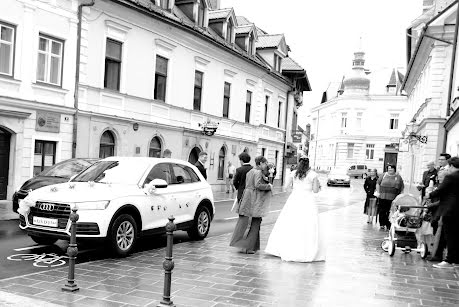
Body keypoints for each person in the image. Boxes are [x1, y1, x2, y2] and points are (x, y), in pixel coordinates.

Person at [265, 155, 325, 262]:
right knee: (307, 224)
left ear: (299, 163)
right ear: (308, 164)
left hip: (295, 199)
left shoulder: (294, 173)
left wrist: (296, 187)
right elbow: (315, 191)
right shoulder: (313, 175)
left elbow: (285, 187)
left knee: (291, 222)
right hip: (308, 201)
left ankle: (285, 247)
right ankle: (306, 249)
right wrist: (318, 187)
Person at [230, 156, 273, 254]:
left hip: (247, 196)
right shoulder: (258, 172)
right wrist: (269, 186)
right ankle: (249, 247)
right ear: (260, 163)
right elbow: (257, 185)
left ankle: (248, 246)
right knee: (255, 222)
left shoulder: (251, 171)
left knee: (247, 222)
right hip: (254, 197)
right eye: (265, 163)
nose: (266, 165)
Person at [426, 156, 459, 269]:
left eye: (449, 166)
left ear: (452, 166)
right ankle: (456, 260)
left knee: (449, 236)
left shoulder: (451, 176)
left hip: (449, 210)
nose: (448, 169)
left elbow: (440, 190)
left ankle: (449, 260)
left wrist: (429, 195)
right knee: (456, 236)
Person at [429, 153, 451, 261]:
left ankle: (440, 254)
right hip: (440, 208)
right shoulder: (442, 178)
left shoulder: (449, 183)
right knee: (436, 226)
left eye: (442, 177)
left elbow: (443, 198)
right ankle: (437, 252)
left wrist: (430, 198)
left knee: (441, 229)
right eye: (439, 177)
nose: (439, 178)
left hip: (446, 210)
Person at [376, 164, 404, 231]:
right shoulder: (383, 175)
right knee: (382, 211)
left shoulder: (398, 177)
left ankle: (389, 224)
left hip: (393, 198)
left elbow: (401, 187)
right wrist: (378, 192)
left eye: (391, 168)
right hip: (382, 196)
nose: (390, 170)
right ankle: (382, 224)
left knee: (390, 211)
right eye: (388, 168)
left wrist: (400, 197)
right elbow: (378, 183)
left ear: (394, 169)